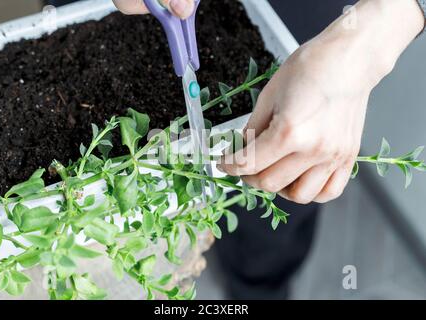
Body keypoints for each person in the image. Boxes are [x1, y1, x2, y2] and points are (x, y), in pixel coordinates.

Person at [47, 0, 426, 298]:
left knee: (278, 195)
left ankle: (259, 290)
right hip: (100, 20)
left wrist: (367, 42)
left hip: (299, 19)